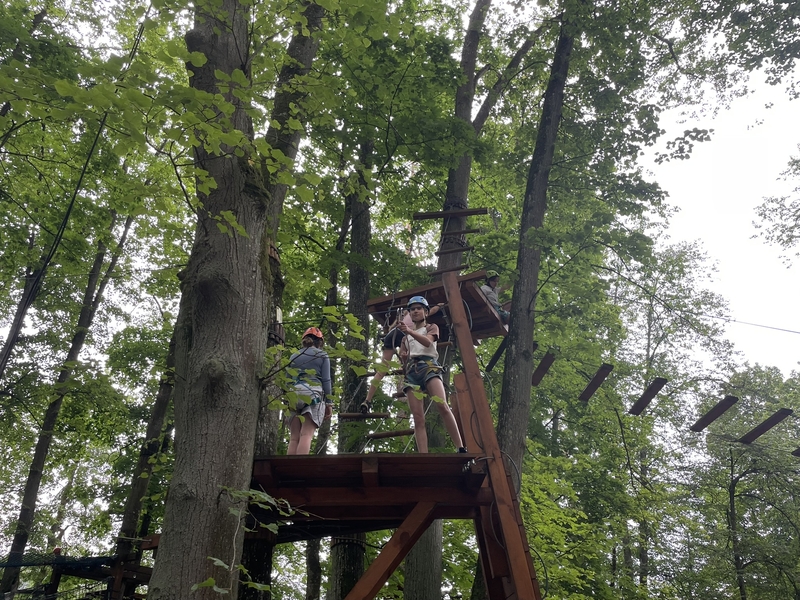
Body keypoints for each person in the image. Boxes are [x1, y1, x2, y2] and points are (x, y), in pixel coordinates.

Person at [399, 296, 466, 453]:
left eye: (419, 308)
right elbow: (403, 357)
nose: (415, 311)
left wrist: (409, 331)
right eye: (412, 309)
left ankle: (460, 447)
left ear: (426, 312)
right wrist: (403, 357)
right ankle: (423, 455)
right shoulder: (405, 338)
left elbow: (428, 342)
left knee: (442, 405)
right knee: (418, 417)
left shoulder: (431, 327)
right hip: (412, 371)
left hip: (429, 366)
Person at [360, 302, 446, 413]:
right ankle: (407, 371)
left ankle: (367, 400)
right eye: (414, 308)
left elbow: (394, 325)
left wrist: (390, 330)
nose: (415, 311)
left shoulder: (406, 313)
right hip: (404, 336)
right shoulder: (418, 316)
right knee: (409, 360)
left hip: (392, 334)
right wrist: (438, 306)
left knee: (382, 370)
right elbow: (430, 312)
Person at [286, 327, 333, 455]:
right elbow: (326, 380)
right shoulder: (322, 355)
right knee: (306, 434)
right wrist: (329, 404)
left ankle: (289, 467)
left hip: (293, 394)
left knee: (294, 438)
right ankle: (300, 466)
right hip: (312, 394)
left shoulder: (294, 356)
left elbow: (287, 381)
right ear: (320, 342)